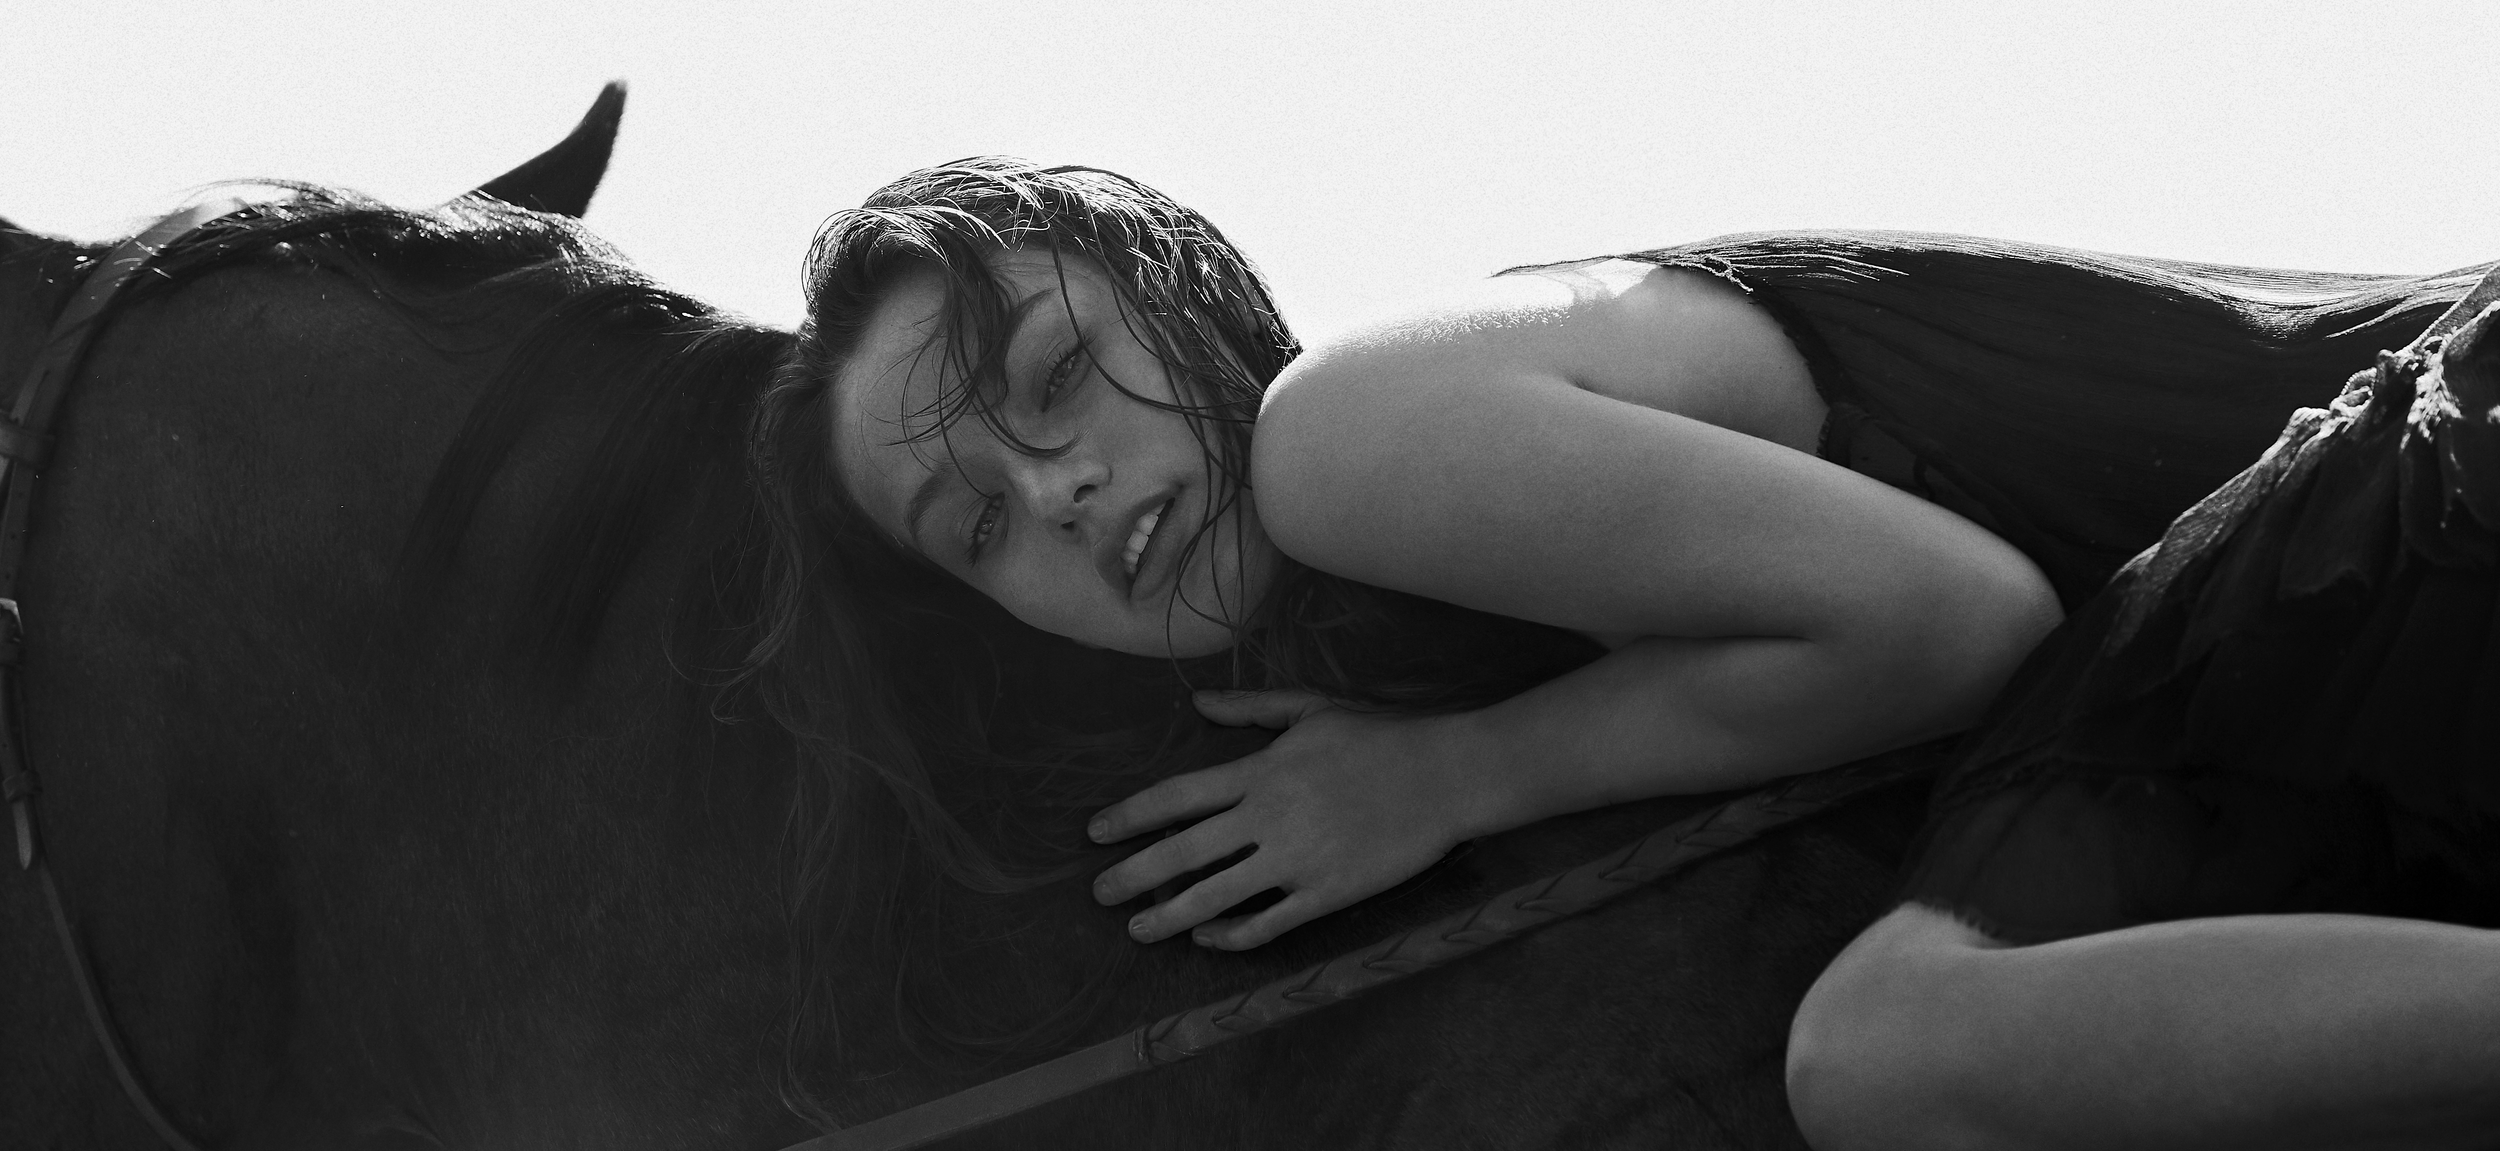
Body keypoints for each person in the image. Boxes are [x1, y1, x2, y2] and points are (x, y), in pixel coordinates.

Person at [761, 156, 2481, 966]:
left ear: (1174, 282)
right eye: (975, 523)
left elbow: (1958, 621)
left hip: (2439, 479)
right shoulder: (1463, 601)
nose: (1055, 491)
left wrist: (1451, 775)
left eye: (1057, 376)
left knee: (1912, 1047)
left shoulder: (1348, 435)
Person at [1783, 268, 2500, 1150]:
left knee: (1883, 1046)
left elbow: (1955, 619)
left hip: (2387, 530)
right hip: (2369, 510)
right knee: (1883, 1044)